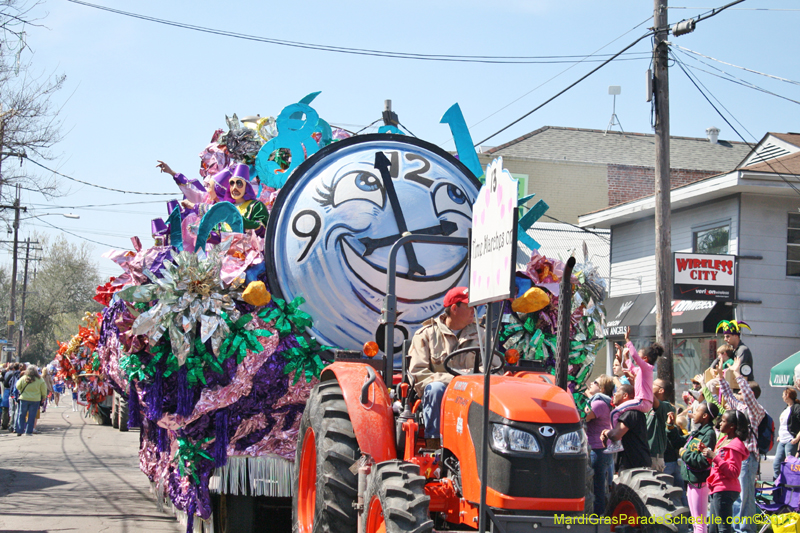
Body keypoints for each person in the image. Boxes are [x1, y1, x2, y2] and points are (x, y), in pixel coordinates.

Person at [409, 286, 488, 445]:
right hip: (442, 394)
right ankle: (434, 445)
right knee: (435, 389)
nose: (474, 311)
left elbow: (494, 369)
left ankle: (482, 446)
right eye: (470, 307)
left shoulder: (482, 335)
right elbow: (418, 374)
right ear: (454, 308)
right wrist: (455, 381)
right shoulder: (426, 334)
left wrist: (470, 381)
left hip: (473, 392)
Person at [717, 358, 764, 533]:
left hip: (748, 458)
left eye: (742, 391)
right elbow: (728, 396)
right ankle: (737, 527)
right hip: (737, 456)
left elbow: (748, 394)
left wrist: (737, 373)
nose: (738, 392)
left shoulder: (755, 410)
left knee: (746, 496)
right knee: (736, 494)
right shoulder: (742, 409)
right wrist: (721, 376)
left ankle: (746, 529)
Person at [605, 327, 661, 454]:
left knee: (614, 413)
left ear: (645, 359)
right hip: (642, 401)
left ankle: (616, 441)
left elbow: (635, 357)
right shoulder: (642, 370)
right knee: (616, 412)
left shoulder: (647, 367)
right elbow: (631, 368)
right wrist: (625, 357)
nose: (638, 361)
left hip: (642, 401)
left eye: (641, 358)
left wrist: (627, 340)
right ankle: (616, 440)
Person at [670, 401, 719, 533]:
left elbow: (704, 460)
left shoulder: (708, 434)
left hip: (700, 482)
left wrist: (684, 454)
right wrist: (671, 426)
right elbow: (679, 442)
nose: (694, 413)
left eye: (697, 411)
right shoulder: (698, 432)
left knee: (699, 522)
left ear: (705, 416)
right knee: (695, 520)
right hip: (692, 480)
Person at [703, 410, 751, 533]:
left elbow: (734, 472)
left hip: (725, 490)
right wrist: (708, 454)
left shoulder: (735, 445)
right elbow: (716, 463)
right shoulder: (723, 440)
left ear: (732, 426)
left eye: (723, 421)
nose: (719, 424)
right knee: (713, 529)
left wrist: (714, 456)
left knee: (724, 528)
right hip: (717, 488)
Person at [601, 384, 650, 472]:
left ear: (625, 395)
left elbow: (616, 435)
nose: (614, 394)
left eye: (617, 392)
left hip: (634, 465)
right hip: (628, 464)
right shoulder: (626, 413)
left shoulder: (631, 413)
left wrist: (605, 433)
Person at [584, 375, 614, 514]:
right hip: (603, 448)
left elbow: (584, 416)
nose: (592, 384)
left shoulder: (598, 403)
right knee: (601, 483)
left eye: (595, 382)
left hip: (597, 448)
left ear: (601, 388)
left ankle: (598, 515)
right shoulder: (606, 402)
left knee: (596, 484)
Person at [647, 378, 674, 472]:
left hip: (654, 458)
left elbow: (654, 400)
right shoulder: (648, 405)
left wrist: (644, 381)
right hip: (644, 454)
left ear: (661, 390)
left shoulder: (667, 407)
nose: (650, 385)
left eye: (653, 384)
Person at [773, 387, 800, 479]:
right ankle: (778, 487)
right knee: (776, 463)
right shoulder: (786, 408)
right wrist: (780, 436)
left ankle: (789, 487)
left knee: (789, 464)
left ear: (788, 395)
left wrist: (797, 438)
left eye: (783, 394)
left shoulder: (796, 407)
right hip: (782, 440)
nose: (782, 397)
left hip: (790, 440)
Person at [15, 365, 47, 436]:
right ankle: (28, 431)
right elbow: (43, 389)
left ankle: (20, 430)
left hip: (24, 398)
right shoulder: (40, 379)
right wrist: (43, 397)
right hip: (35, 400)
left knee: (21, 415)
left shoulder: (23, 378)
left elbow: (17, 386)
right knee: (32, 416)